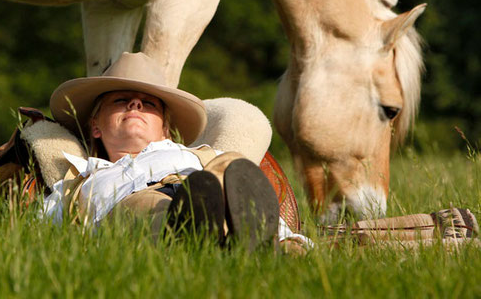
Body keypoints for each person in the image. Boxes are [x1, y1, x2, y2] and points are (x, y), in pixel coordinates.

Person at [44, 52, 308, 248]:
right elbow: (43, 235)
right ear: (96, 127)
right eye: (121, 100)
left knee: (231, 165)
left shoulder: (199, 156)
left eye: (149, 104)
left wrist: (291, 239)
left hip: (201, 188)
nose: (135, 103)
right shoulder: (79, 180)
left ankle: (266, 242)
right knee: (148, 207)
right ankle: (197, 229)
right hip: (133, 208)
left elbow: (248, 195)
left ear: (165, 131)